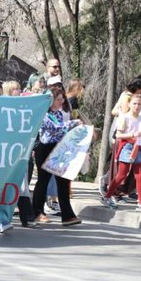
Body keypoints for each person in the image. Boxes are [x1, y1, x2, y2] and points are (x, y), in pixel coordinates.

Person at [32, 85, 83, 226]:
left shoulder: (60, 114)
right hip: (45, 149)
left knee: (63, 182)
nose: (61, 102)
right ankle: (38, 211)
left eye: (62, 99)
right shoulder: (44, 114)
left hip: (58, 148)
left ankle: (67, 215)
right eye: (58, 99)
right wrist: (72, 123)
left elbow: (61, 130)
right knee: (43, 181)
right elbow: (54, 128)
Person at [101, 94, 141, 211]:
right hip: (127, 147)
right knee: (121, 175)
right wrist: (132, 135)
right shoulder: (125, 117)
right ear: (129, 104)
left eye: (139, 104)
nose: (137, 106)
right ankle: (107, 196)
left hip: (138, 147)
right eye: (134, 103)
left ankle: (140, 203)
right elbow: (118, 135)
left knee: (139, 175)